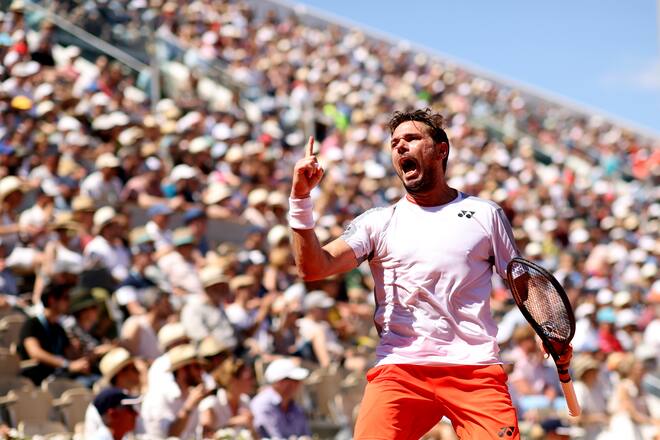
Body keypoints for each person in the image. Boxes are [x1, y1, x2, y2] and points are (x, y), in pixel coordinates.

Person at [289, 109, 570, 439]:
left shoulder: (485, 214)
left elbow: (522, 280)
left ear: (441, 150)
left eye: (411, 139)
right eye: (395, 143)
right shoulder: (377, 222)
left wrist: (548, 326)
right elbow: (313, 268)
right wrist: (301, 198)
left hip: (474, 370)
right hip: (400, 369)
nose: (400, 147)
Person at [17, 282, 90, 385]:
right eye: (65, 298)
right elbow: (35, 353)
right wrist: (67, 365)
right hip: (37, 379)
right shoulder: (32, 324)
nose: (69, 302)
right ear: (52, 300)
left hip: (58, 378)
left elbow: (71, 354)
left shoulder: (58, 328)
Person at [141, 344, 210, 439]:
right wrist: (188, 407)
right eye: (197, 367)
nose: (201, 372)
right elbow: (170, 435)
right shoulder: (161, 396)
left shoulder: (191, 395)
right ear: (183, 370)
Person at [250, 357, 311, 439]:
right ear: (279, 381)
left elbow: (307, 436)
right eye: (293, 380)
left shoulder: (296, 408)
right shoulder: (263, 404)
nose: (298, 384)